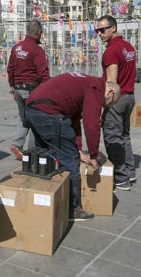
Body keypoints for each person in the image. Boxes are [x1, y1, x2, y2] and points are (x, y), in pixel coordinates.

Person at [23, 73, 120, 221]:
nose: (107, 106)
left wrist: (79, 149)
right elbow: (92, 124)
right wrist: (93, 155)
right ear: (110, 92)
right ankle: (71, 208)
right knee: (69, 160)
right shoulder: (96, 88)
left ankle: (43, 201)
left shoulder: (84, 82)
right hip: (49, 112)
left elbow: (74, 120)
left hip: (32, 110)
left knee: (46, 158)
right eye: (110, 103)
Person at [95, 15, 137, 191]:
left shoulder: (111, 51)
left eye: (102, 30)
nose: (99, 34)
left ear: (113, 28)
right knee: (124, 135)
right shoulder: (129, 47)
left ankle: (121, 177)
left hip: (117, 99)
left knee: (112, 137)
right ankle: (129, 170)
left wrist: (103, 106)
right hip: (129, 97)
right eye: (97, 31)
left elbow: (112, 82)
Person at [6, 20, 50, 160]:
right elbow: (43, 73)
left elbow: (10, 69)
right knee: (36, 118)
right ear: (39, 33)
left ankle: (17, 144)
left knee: (23, 117)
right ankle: (33, 151)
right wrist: (50, 91)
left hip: (18, 88)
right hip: (31, 89)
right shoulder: (37, 50)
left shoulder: (17, 48)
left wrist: (12, 86)